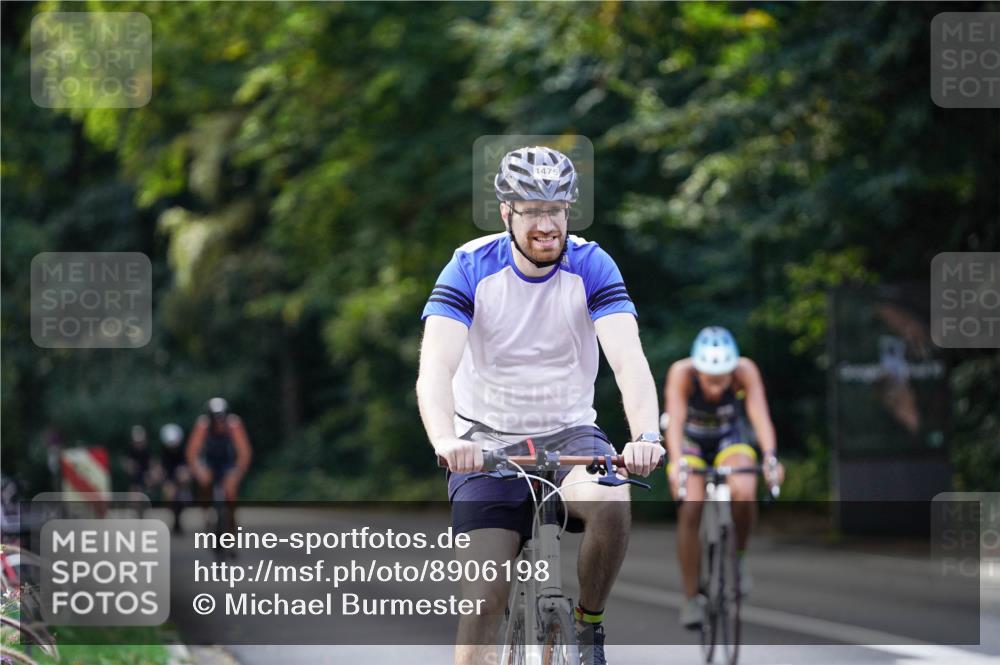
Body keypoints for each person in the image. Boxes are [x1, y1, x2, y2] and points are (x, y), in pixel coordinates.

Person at [417, 146, 663, 665]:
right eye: (532, 211)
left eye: (556, 210)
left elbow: (628, 359)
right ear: (507, 212)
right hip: (485, 441)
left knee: (613, 505)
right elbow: (436, 368)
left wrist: (645, 437)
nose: (546, 224)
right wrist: (446, 440)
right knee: (484, 601)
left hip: (571, 433)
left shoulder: (591, 263)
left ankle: (589, 625)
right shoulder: (470, 266)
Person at [662, 326, 785, 629]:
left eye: (722, 380)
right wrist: (677, 462)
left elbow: (760, 416)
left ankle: (739, 556)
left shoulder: (745, 370)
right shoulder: (682, 373)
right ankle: (691, 598)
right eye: (709, 380)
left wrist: (770, 458)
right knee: (690, 506)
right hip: (691, 441)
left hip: (730, 438)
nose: (716, 388)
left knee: (744, 487)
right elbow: (674, 421)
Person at [185, 398, 252, 537]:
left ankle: (232, 530)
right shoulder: (203, 425)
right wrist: (198, 470)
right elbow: (193, 451)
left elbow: (244, 450)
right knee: (205, 485)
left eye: (221, 417)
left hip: (228, 464)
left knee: (230, 493)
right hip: (209, 463)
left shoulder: (234, 424)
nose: (218, 421)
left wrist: (238, 471)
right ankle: (206, 516)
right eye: (215, 417)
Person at [159, 423, 192, 534]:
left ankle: (178, 517)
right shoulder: (164, 452)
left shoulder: (184, 451)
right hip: (170, 479)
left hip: (181, 480)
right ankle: (175, 518)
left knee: (183, 498)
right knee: (170, 496)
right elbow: (163, 470)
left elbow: (187, 470)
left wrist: (184, 476)